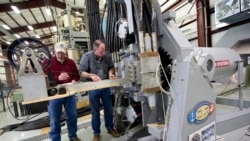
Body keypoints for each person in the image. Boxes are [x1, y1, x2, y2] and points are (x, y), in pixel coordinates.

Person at [79, 39, 119, 141]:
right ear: (95, 49)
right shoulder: (87, 57)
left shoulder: (107, 56)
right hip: (93, 88)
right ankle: (96, 133)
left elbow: (111, 67)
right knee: (95, 112)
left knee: (108, 110)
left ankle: (110, 128)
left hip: (105, 87)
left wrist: (110, 73)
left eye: (104, 50)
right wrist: (91, 76)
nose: (103, 53)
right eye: (101, 51)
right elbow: (81, 72)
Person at [43, 42, 81, 141]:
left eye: (62, 53)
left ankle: (73, 136)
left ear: (66, 53)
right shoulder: (47, 62)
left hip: (69, 93)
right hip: (54, 95)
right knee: (55, 120)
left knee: (72, 116)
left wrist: (74, 80)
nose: (60, 55)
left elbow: (76, 75)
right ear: (54, 52)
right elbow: (44, 78)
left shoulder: (71, 62)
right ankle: (56, 139)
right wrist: (57, 78)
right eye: (58, 53)